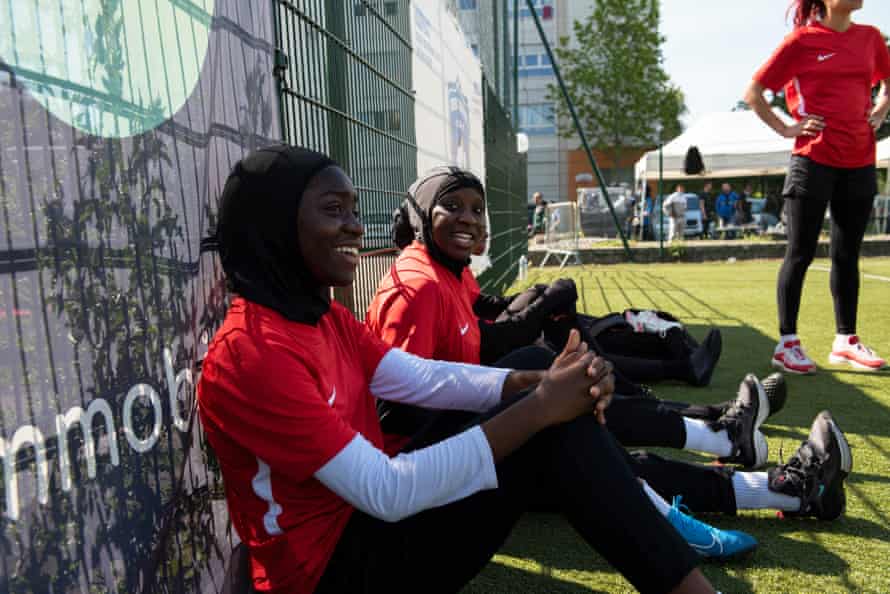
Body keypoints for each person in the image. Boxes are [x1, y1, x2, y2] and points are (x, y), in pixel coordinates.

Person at [196, 146, 718, 594]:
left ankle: (702, 478)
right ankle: (697, 513)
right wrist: (539, 407)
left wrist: (538, 384)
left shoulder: (322, 315)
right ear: (274, 227)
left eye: (354, 209)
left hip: (367, 525)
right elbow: (388, 490)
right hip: (329, 574)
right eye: (334, 210)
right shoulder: (252, 354)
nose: (355, 225)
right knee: (545, 425)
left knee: (539, 369)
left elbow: (420, 376)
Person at [369, 166, 852, 542]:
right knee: (603, 454)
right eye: (451, 206)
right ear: (418, 216)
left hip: (461, 443)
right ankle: (780, 484)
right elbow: (401, 413)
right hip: (432, 476)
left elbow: (480, 323)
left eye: (477, 208)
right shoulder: (418, 287)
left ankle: (731, 443)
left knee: (585, 403)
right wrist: (509, 413)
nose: (469, 218)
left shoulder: (445, 270)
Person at [744, 0, 890, 373]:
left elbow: (888, 84)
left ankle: (846, 341)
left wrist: (880, 110)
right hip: (813, 159)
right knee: (800, 252)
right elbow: (754, 93)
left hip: (859, 160)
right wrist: (787, 129)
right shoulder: (802, 41)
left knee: (847, 255)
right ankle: (787, 343)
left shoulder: (871, 38)